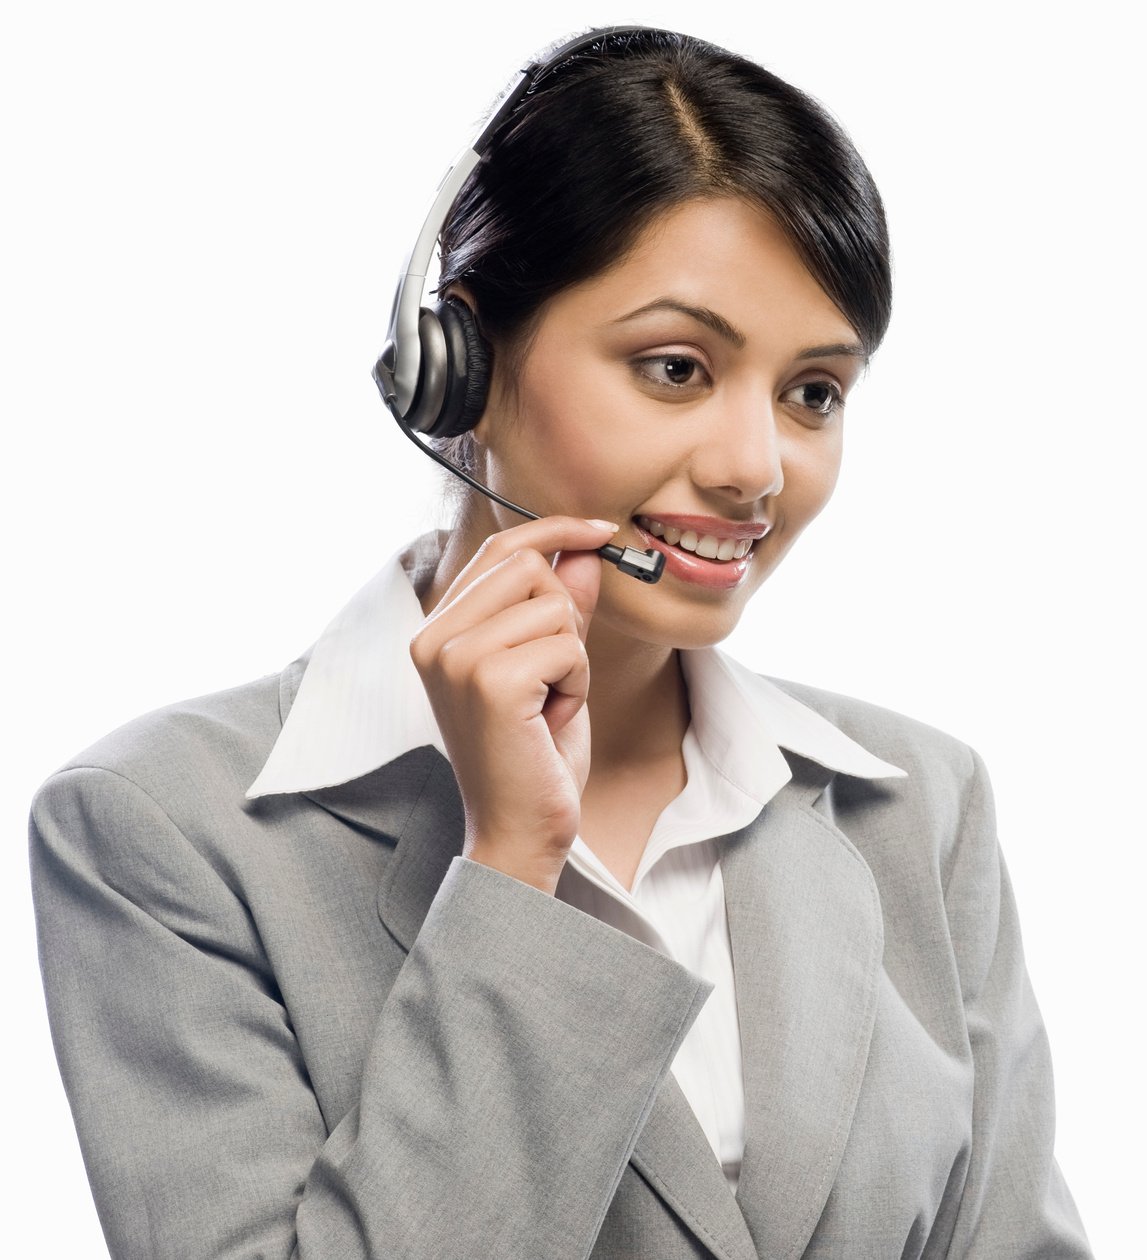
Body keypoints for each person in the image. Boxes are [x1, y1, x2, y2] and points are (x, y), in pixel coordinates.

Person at [28, 25, 1093, 1260]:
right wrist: (511, 873)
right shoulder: (160, 832)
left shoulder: (922, 807)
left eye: (814, 392)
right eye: (676, 367)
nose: (756, 469)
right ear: (461, 366)